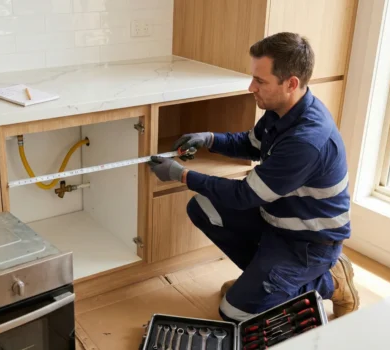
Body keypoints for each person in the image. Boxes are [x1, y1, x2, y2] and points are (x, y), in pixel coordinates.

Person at [147, 32, 359, 322]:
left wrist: (182, 175)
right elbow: (250, 144)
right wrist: (209, 138)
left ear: (291, 83)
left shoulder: (306, 140)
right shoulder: (283, 111)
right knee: (203, 207)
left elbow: (244, 195)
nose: (251, 87)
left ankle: (331, 281)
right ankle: (264, 282)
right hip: (277, 224)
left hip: (309, 244)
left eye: (260, 81)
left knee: (234, 314)